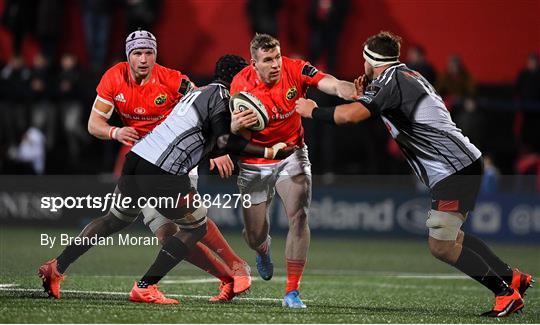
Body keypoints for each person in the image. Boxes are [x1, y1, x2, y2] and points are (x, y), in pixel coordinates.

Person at [295, 31, 534, 317]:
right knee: (452, 237)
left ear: (370, 60)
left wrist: (313, 111)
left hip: (453, 170)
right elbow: (385, 103)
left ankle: (504, 292)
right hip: (462, 163)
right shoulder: (404, 75)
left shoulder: (391, 82)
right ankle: (511, 277)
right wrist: (365, 94)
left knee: (441, 246)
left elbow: (349, 117)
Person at [38, 30, 251, 303]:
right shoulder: (114, 78)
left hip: (157, 161)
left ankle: (56, 266)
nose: (143, 59)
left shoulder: (174, 80)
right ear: (128, 57)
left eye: (149, 53)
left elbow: (203, 104)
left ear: (156, 55)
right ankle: (230, 271)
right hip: (160, 165)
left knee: (128, 222)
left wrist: (215, 149)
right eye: (137, 53)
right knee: (187, 227)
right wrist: (116, 133)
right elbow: (94, 125)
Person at [229, 33, 358, 308]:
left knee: (299, 215)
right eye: (267, 60)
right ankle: (262, 249)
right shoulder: (240, 84)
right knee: (253, 236)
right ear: (254, 63)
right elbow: (233, 132)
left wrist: (350, 89)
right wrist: (236, 125)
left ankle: (291, 291)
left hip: (292, 153)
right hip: (255, 162)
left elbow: (331, 84)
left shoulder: (296, 68)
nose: (275, 64)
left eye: (277, 57)